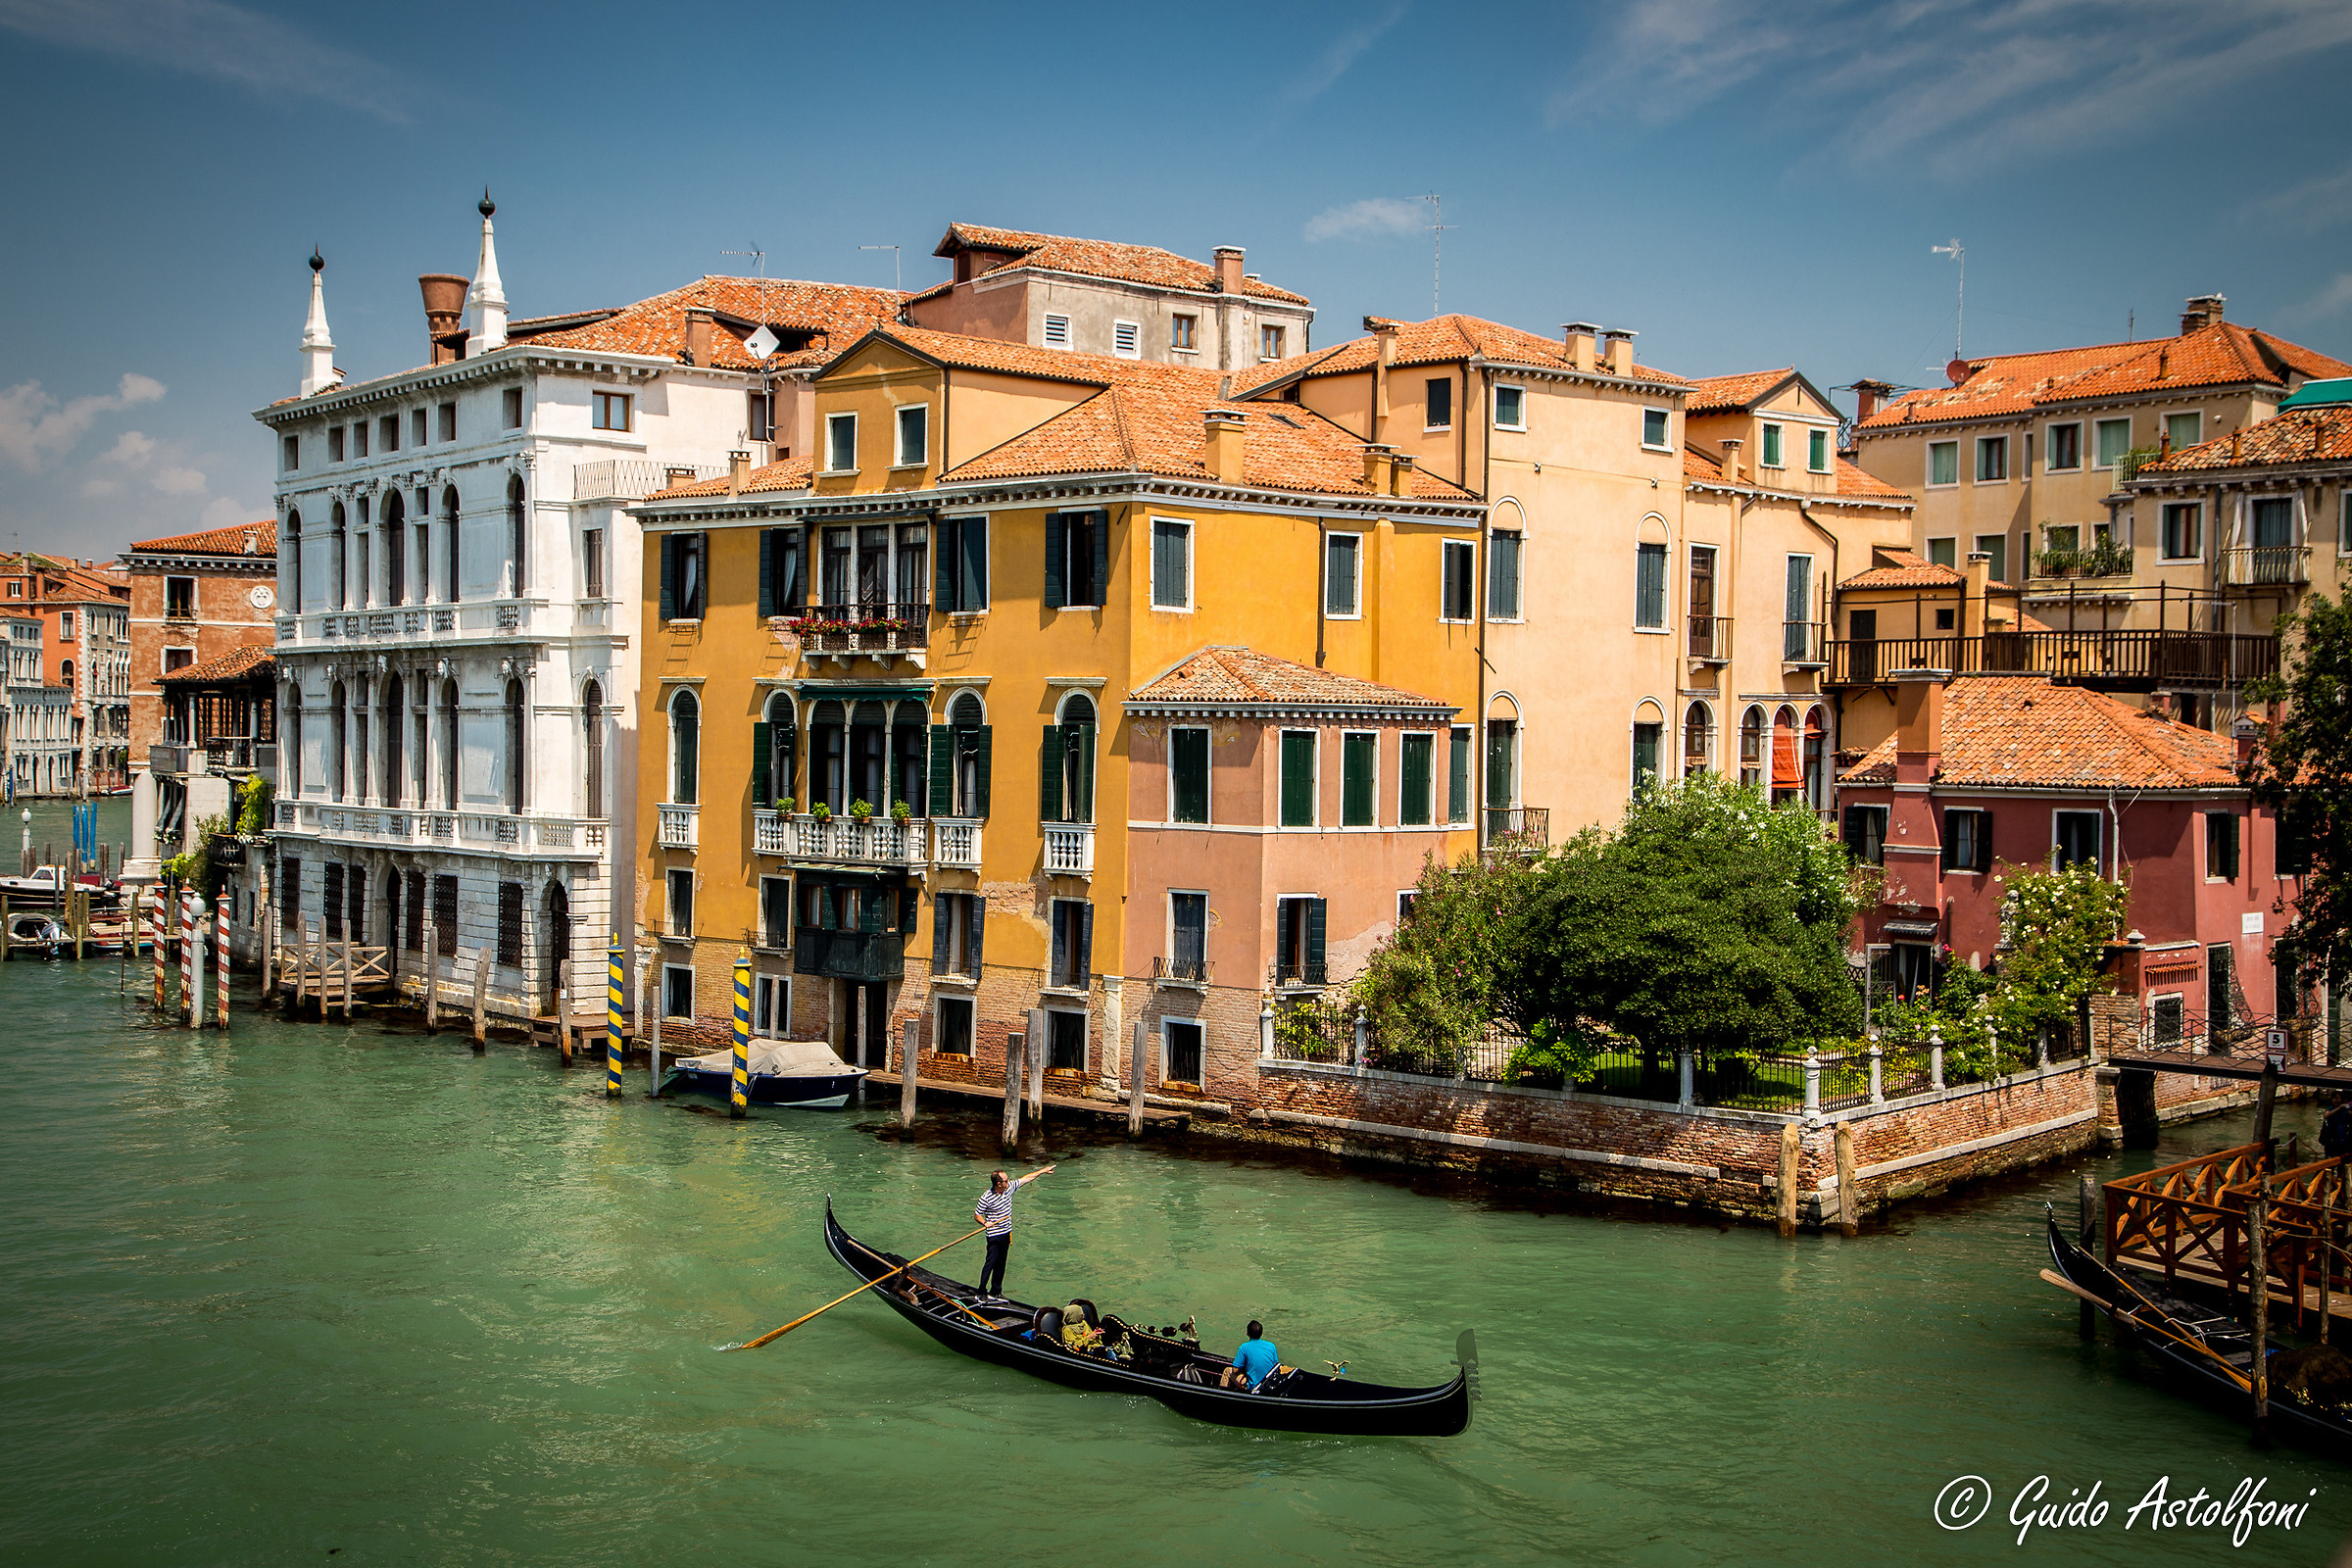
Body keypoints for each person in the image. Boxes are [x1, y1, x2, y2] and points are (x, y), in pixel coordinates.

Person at [973, 1163, 1054, 1300]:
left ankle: (996, 1291)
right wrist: (984, 1222)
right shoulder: (986, 1197)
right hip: (994, 1235)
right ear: (999, 1183)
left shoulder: (1009, 1189)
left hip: (1006, 1234)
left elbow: (1025, 1179)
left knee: (1001, 1264)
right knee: (990, 1263)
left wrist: (1042, 1171)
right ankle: (981, 1291)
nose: (1009, 1182)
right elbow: (977, 1214)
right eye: (1006, 1180)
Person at [1230, 1320, 1280, 1391]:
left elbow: (1235, 1370)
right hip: (1269, 1384)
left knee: (1227, 1371)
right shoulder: (1271, 1346)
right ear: (1262, 1333)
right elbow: (1275, 1365)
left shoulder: (1244, 1347)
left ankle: (1222, 1393)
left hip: (1254, 1386)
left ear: (1247, 1333)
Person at [2324, 1095, 2352, 1160]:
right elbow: (2326, 1115)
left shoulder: (2346, 1110)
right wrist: (2339, 1108)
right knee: (2330, 1158)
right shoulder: (2330, 1109)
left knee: (2343, 1159)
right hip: (2331, 1137)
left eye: (2338, 1098)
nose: (2336, 1100)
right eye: (2334, 1098)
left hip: (2343, 1137)